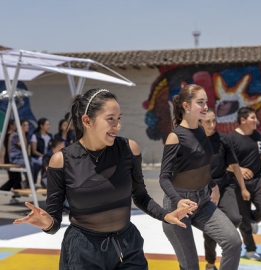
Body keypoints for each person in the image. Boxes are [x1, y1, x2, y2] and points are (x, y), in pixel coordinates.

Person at [13, 88, 197, 270]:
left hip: (127, 247)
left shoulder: (129, 149)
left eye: (119, 119)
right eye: (110, 119)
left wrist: (166, 214)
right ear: (87, 121)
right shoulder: (61, 161)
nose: (117, 126)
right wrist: (47, 222)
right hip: (83, 252)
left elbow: (140, 196)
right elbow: (54, 224)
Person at [159, 84, 242, 270]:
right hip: (178, 207)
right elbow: (164, 177)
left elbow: (201, 164)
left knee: (233, 242)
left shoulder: (201, 131)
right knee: (191, 266)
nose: (206, 106)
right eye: (200, 102)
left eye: (206, 102)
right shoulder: (175, 136)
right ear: (186, 106)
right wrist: (178, 200)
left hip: (203, 201)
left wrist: (213, 183)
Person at [199, 108, 250, 270]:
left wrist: (243, 188)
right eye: (208, 121)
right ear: (200, 122)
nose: (212, 124)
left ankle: (222, 232)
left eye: (214, 121)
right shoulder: (194, 140)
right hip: (204, 189)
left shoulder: (224, 140)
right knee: (208, 233)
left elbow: (235, 166)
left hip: (225, 185)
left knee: (235, 218)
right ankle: (210, 263)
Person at [228, 106, 261, 261]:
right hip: (237, 183)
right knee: (243, 219)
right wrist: (239, 169)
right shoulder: (231, 139)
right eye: (253, 118)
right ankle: (250, 250)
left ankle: (253, 220)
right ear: (243, 120)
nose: (256, 120)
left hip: (257, 181)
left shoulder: (260, 137)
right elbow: (224, 163)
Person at [0, 119, 22, 204]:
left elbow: (4, 149)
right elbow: (8, 148)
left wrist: (3, 158)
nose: (17, 126)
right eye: (16, 124)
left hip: (7, 157)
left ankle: (12, 195)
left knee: (14, 178)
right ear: (12, 125)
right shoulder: (12, 135)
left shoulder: (6, 134)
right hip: (11, 158)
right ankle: (4, 190)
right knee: (15, 178)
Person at [8, 119, 31, 191]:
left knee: (32, 163)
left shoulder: (23, 135)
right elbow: (24, 146)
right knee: (27, 164)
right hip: (16, 157)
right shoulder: (16, 135)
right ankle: (26, 182)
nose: (27, 127)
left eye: (27, 125)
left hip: (21, 157)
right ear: (20, 126)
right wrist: (23, 133)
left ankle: (28, 182)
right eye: (25, 125)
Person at [30, 118, 52, 184]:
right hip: (37, 157)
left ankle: (45, 181)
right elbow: (34, 151)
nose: (49, 126)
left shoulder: (50, 136)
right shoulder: (35, 136)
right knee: (40, 163)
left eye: (49, 125)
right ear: (41, 126)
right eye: (47, 125)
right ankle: (34, 182)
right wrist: (43, 156)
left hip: (46, 157)